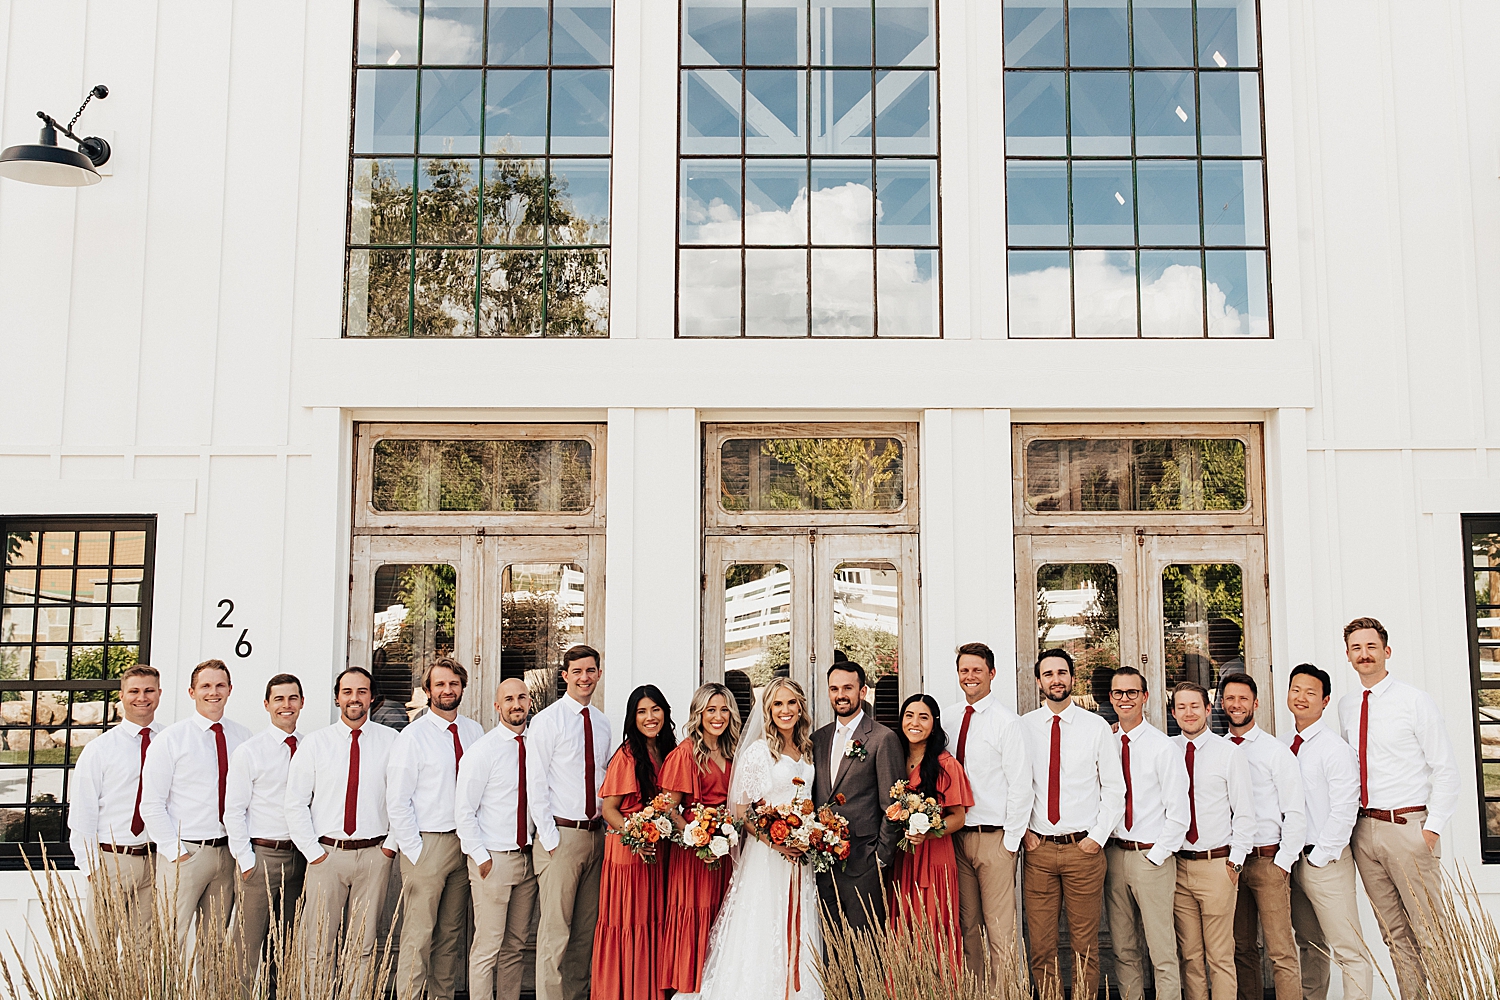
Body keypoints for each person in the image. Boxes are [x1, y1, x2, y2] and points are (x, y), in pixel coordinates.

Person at [1337, 616, 1460, 999]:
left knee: (1431, 934)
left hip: (1407, 828)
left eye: (1371, 646)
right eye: (1356, 648)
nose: (1364, 654)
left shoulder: (1414, 701)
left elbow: (1446, 770)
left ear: (1386, 652)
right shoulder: (1346, 705)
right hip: (1365, 833)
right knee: (1394, 935)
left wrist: (1431, 828)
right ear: (1348, 656)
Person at [697, 678, 824, 999]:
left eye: (791, 703)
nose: (785, 710)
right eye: (778, 704)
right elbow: (742, 812)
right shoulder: (758, 752)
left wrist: (807, 834)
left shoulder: (807, 749)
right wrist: (778, 841)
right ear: (767, 709)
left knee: (798, 923)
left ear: (801, 707)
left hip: (801, 855)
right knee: (765, 924)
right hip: (768, 855)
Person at [1019, 649, 1126, 1000]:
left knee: (1085, 946)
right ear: (1039, 681)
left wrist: (1096, 838)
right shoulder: (1023, 727)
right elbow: (1014, 785)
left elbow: (1114, 788)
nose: (1056, 679)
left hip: (1084, 852)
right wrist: (1025, 833)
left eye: (1062, 672)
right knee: (1041, 946)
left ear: (1072, 678)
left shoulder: (1095, 727)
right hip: (1039, 852)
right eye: (1048, 674)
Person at [284, 666, 398, 990]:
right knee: (317, 946)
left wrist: (390, 847)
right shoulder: (316, 744)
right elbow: (295, 802)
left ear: (372, 697)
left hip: (375, 856)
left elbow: (404, 799)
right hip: (327, 856)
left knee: (362, 946)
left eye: (362, 691)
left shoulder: (392, 742)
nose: (354, 698)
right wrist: (314, 854)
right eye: (347, 692)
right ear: (337, 698)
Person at [386, 656, 484, 1000]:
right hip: (427, 845)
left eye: (453, 683)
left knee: (451, 934)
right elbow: (397, 799)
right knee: (418, 934)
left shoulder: (474, 732)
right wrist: (414, 850)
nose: (447, 690)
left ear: (462, 688)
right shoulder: (412, 737)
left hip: (465, 844)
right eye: (439, 684)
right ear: (428, 690)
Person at [139, 658, 252, 947]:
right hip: (186, 853)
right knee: (167, 945)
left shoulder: (243, 738)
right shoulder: (170, 740)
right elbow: (151, 803)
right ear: (192, 692)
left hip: (226, 855)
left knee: (213, 947)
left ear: (229, 690)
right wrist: (175, 852)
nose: (213, 692)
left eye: (219, 685)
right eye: (205, 686)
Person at [941, 642, 1030, 982]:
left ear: (992, 674)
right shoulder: (948, 718)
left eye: (977, 670)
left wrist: (1010, 843)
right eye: (964, 670)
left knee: (999, 931)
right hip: (956, 839)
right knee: (967, 929)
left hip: (993, 840)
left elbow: (1021, 785)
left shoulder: (1007, 723)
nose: (970, 676)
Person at [525, 644, 611, 1000]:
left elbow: (607, 779)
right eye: (576, 672)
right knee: (555, 931)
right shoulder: (547, 721)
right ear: (565, 676)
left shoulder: (603, 722)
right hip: (561, 836)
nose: (584, 678)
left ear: (599, 674)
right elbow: (536, 782)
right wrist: (549, 839)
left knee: (585, 932)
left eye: (590, 671)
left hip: (596, 836)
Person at [1284, 663, 1371, 1000]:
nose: (1301, 698)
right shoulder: (1287, 744)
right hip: (1295, 862)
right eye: (1296, 690)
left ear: (1325, 700)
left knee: (1349, 950)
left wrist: (1320, 857)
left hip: (1325, 863)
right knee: (1309, 945)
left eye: (1310, 692)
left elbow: (1346, 808)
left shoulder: (1334, 749)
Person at [1104, 666, 1190, 1000]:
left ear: (1145, 697)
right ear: (1110, 698)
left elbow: (1178, 814)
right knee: (1123, 947)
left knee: (1162, 949)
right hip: (1114, 854)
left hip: (1151, 857)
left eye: (1132, 693)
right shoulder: (1107, 743)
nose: (1125, 699)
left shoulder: (1162, 747)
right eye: (1118, 693)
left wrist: (1155, 856)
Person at [1221, 673, 1305, 1000]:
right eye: (1230, 698)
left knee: (1281, 950)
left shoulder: (1276, 751)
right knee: (1240, 947)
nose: (1236, 705)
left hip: (1268, 861)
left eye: (1243, 698)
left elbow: (1295, 812)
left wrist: (1282, 863)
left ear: (1255, 703)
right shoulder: (1218, 748)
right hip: (1231, 864)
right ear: (1222, 704)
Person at [591, 685, 677, 1000]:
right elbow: (609, 810)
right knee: (631, 925)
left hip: (658, 852)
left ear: (665, 712)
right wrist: (636, 837)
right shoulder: (627, 756)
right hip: (629, 855)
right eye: (641, 711)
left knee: (653, 924)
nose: (650, 717)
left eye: (655, 709)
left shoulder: (668, 751)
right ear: (633, 718)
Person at [1171, 681, 1254, 1000]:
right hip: (1179, 867)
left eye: (1195, 706)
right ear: (1173, 712)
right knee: (1190, 957)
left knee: (1220, 956)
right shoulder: (1168, 751)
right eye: (1181, 707)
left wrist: (1235, 862)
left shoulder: (1228, 753)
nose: (1188, 712)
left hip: (1217, 866)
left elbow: (1245, 812)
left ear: (1208, 709)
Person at [455, 677, 538, 1000]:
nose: (516, 704)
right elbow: (464, 810)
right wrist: (481, 857)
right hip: (494, 861)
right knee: (488, 946)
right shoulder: (482, 751)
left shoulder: (537, 745)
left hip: (528, 859)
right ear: (497, 706)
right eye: (508, 699)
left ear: (529, 702)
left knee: (515, 946)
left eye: (522, 698)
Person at [225, 673, 306, 997]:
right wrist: (246, 861)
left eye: (292, 698)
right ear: (267, 704)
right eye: (279, 699)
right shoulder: (250, 751)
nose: (286, 706)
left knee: (285, 946)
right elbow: (233, 810)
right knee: (246, 947)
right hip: (261, 857)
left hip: (300, 859)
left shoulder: (311, 746)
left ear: (301, 703)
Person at [658, 682, 741, 994]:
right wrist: (693, 835)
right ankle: (690, 987)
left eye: (723, 710)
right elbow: (668, 806)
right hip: (695, 855)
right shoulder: (686, 753)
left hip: (728, 849)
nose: (717, 717)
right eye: (710, 710)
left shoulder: (734, 752)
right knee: (696, 913)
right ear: (699, 714)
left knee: (724, 914)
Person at [67, 663, 163, 931]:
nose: (142, 697)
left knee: (146, 954)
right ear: (121, 695)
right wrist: (91, 870)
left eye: (149, 690)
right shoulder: (100, 749)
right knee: (103, 951)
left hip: (156, 861)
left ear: (159, 693)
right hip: (112, 862)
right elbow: (83, 814)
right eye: (134, 691)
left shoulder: (171, 742)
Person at [810, 660, 904, 932]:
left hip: (863, 863)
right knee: (830, 944)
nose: (841, 695)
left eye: (848, 688)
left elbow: (894, 805)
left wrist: (880, 858)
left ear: (862, 692)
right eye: (834, 688)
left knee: (866, 946)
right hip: (822, 864)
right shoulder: (819, 739)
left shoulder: (882, 738)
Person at [891, 693, 971, 968]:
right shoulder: (893, 758)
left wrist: (930, 832)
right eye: (909, 716)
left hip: (935, 858)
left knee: (934, 924)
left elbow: (958, 817)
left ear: (934, 724)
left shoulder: (945, 764)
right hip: (902, 859)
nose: (915, 723)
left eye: (923, 717)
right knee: (903, 926)